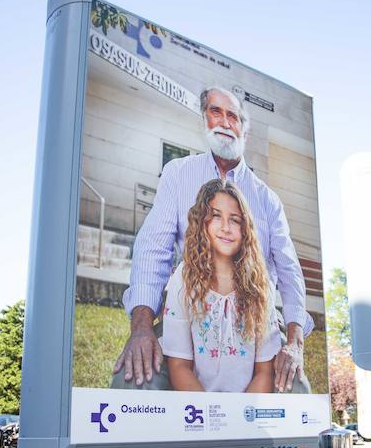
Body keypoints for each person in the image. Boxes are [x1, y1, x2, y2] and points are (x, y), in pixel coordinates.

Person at [115, 86, 311, 393]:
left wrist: (295, 343)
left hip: (256, 325)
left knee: (295, 386)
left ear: (245, 131)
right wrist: (141, 327)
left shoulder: (267, 199)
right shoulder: (178, 174)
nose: (225, 122)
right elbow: (153, 248)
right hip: (191, 315)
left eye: (233, 116)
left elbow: (289, 271)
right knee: (135, 378)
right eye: (215, 112)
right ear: (203, 119)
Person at [161, 179, 279, 392]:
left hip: (246, 412)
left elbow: (264, 371)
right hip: (198, 409)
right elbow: (179, 366)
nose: (226, 228)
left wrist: (240, 417)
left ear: (245, 229)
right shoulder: (185, 278)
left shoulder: (262, 286)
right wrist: (211, 417)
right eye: (216, 216)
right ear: (202, 222)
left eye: (234, 220)